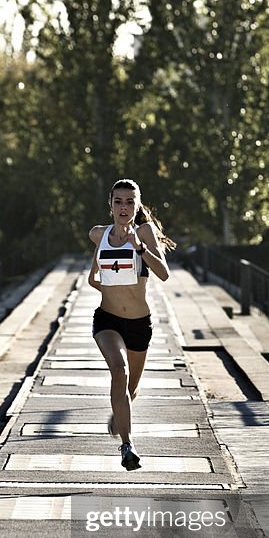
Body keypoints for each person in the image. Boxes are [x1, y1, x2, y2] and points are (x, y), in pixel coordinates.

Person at [88, 178, 175, 470]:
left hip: (139, 324)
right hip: (108, 320)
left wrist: (139, 248)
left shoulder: (145, 232)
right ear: (110, 204)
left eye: (129, 202)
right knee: (119, 371)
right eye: (118, 201)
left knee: (131, 389)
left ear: (137, 205)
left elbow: (163, 273)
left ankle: (120, 413)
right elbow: (93, 278)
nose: (123, 207)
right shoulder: (99, 234)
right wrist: (112, 291)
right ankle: (127, 446)